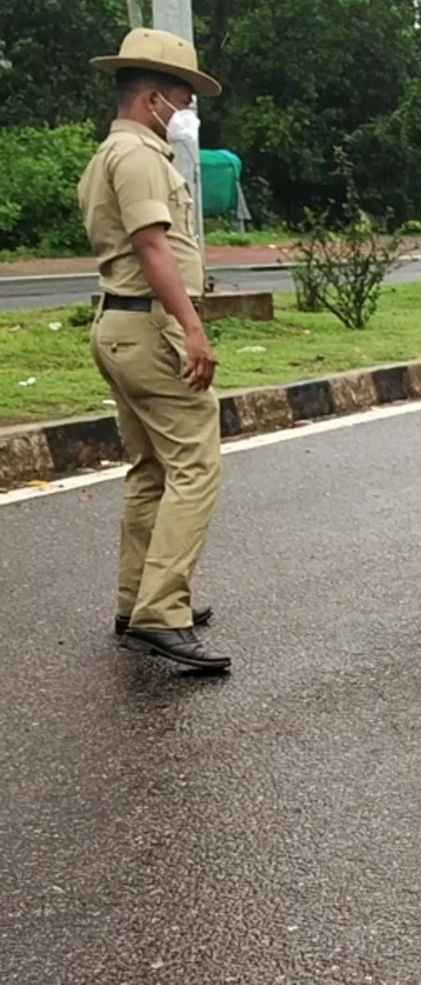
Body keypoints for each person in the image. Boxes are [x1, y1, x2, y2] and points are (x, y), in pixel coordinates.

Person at [78, 29, 228, 670]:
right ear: (153, 101)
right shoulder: (139, 158)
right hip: (146, 326)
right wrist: (192, 327)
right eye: (183, 100)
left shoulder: (108, 154)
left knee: (150, 469)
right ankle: (161, 611)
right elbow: (152, 247)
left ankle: (136, 597)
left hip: (118, 323)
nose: (185, 113)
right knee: (196, 462)